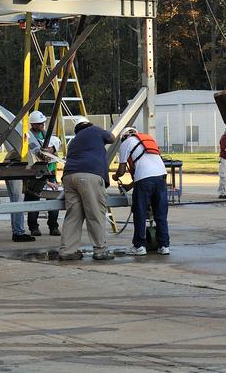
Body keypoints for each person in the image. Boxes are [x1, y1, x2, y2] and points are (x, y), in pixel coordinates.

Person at [56, 119, 115, 261]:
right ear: (89, 124)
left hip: (69, 177)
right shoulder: (94, 130)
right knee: (95, 213)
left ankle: (67, 251)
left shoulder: (75, 141)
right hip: (89, 175)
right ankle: (100, 250)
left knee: (73, 216)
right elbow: (112, 138)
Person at [113, 127, 170, 256]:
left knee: (140, 212)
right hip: (161, 178)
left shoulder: (126, 143)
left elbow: (121, 171)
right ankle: (164, 246)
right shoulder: (148, 141)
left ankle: (139, 246)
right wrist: (130, 186)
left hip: (144, 180)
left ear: (123, 137)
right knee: (160, 214)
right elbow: (150, 170)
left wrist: (115, 177)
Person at [23, 111, 61, 236]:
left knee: (53, 200)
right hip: (35, 174)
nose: (42, 125)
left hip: (49, 173)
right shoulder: (28, 136)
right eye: (39, 124)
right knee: (33, 201)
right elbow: (33, 154)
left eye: (43, 123)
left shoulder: (47, 135)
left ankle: (53, 226)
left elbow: (53, 155)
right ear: (33, 124)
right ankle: (34, 227)